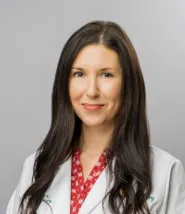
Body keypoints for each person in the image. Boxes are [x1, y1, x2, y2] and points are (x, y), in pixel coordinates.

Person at [6, 20, 185, 214]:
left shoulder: (165, 171)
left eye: (106, 75)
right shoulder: (37, 167)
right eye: (79, 74)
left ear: (128, 84)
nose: (91, 91)